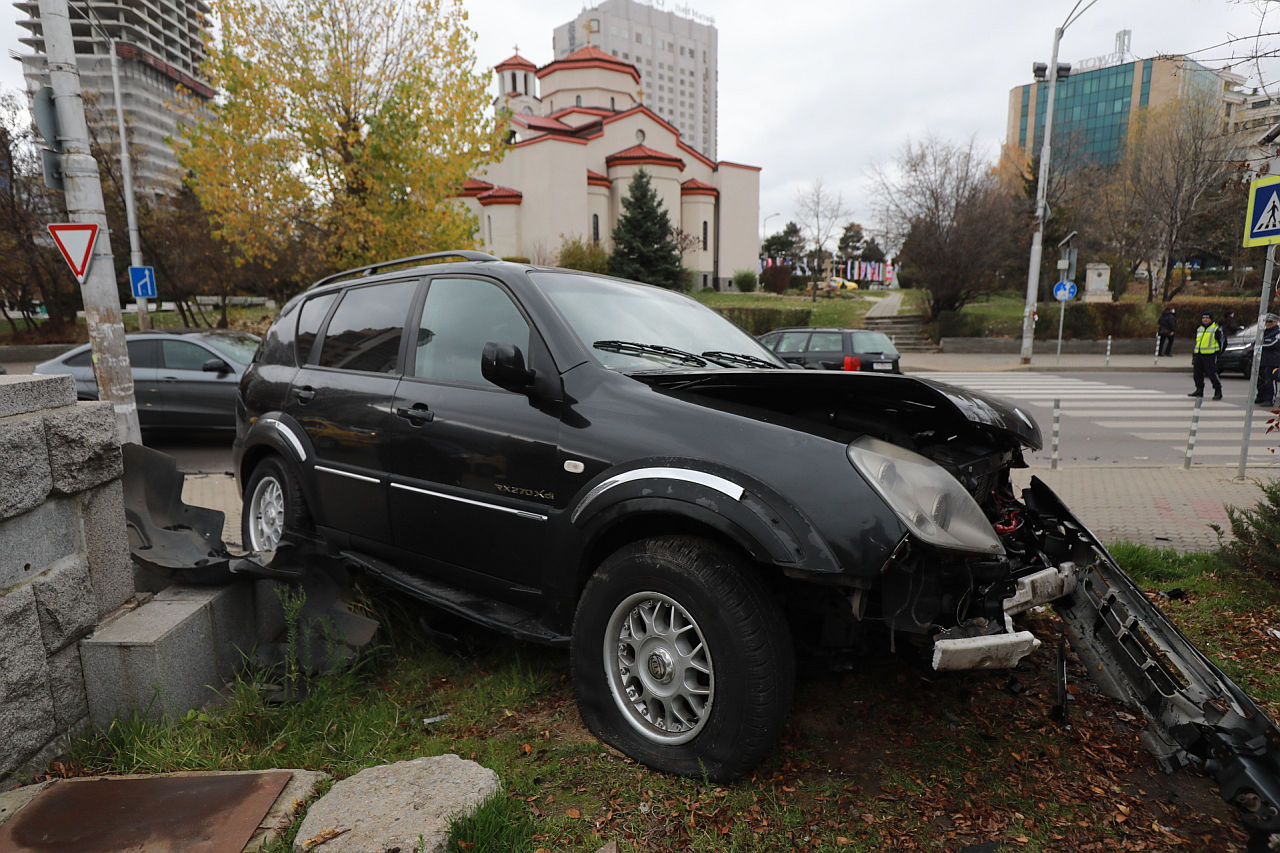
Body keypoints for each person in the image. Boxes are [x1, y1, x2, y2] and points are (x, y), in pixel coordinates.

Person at [1189, 311, 1225, 400]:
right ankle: (1199, 390)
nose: (1205, 320)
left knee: (1212, 373)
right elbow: (1198, 342)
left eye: (1207, 318)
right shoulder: (1200, 329)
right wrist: (1195, 354)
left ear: (1211, 319)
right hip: (1199, 354)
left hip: (1210, 355)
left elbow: (1223, 342)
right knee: (1197, 374)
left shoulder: (1216, 329)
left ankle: (1218, 391)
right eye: (1203, 318)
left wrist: (1219, 353)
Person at [1256, 314, 1280, 407]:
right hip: (1262, 360)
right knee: (1261, 380)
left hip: (1273, 361)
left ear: (1276, 322)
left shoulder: (1277, 332)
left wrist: (1260, 346)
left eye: (1270, 322)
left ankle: (1270, 399)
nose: (1268, 324)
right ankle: (1260, 397)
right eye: (1266, 322)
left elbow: (1272, 343)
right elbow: (1255, 343)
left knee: (1270, 380)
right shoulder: (1264, 332)